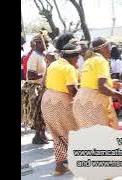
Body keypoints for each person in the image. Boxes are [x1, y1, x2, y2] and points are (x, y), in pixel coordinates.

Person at [41, 42, 81, 176]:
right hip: (61, 103)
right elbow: (72, 90)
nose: (78, 60)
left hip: (46, 101)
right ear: (72, 57)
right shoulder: (69, 68)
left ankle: (59, 167)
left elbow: (44, 82)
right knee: (74, 132)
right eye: (77, 57)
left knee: (57, 135)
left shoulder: (53, 64)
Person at [72, 37, 122, 129]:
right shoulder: (101, 61)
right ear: (102, 48)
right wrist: (118, 95)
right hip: (93, 103)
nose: (110, 50)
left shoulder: (88, 61)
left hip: (80, 101)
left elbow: (91, 83)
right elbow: (102, 88)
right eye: (109, 47)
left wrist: (111, 83)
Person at [22, 32, 50, 144]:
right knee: (39, 114)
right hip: (35, 89)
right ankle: (39, 136)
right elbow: (30, 75)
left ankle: (41, 135)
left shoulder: (42, 56)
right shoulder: (34, 56)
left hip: (42, 87)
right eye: (45, 42)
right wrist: (44, 74)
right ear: (38, 43)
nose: (47, 45)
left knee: (42, 114)